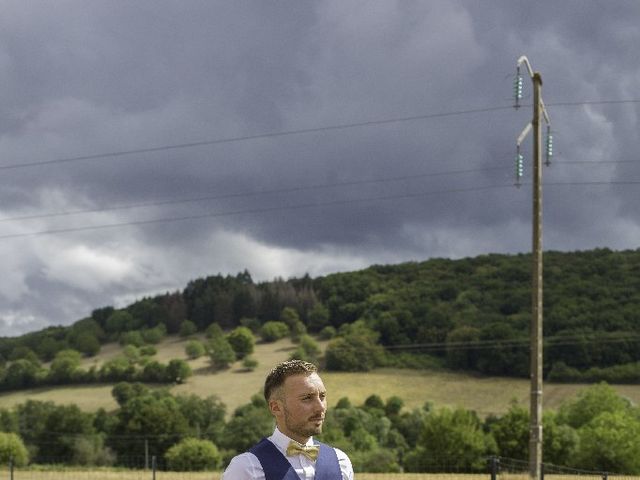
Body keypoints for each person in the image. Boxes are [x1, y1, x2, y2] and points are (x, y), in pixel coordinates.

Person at [222, 359, 354, 480]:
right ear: (276, 408)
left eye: (322, 396)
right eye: (307, 398)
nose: (320, 407)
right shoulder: (247, 469)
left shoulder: (341, 463)